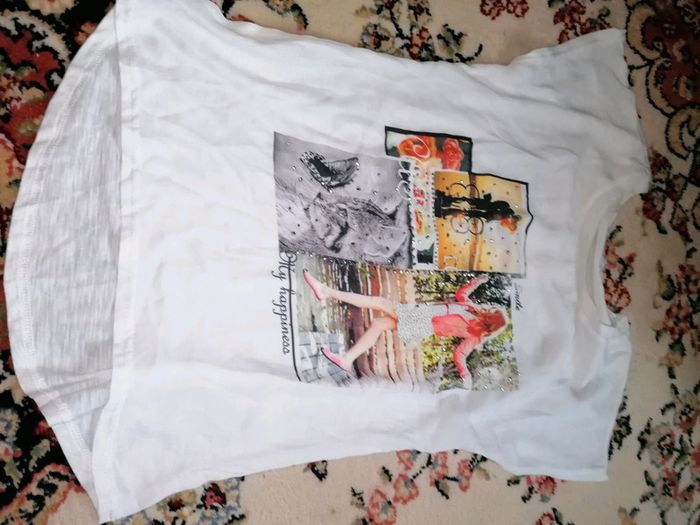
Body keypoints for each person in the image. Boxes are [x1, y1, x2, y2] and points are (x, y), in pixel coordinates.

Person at [302, 271, 507, 380]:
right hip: (422, 315)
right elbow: (461, 293)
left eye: (492, 311)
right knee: (379, 324)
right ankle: (347, 359)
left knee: (379, 302)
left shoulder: (475, 335)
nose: (489, 307)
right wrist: (478, 281)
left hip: (423, 322)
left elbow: (460, 354)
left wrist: (465, 374)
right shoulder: (470, 307)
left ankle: (325, 291)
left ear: (492, 319)